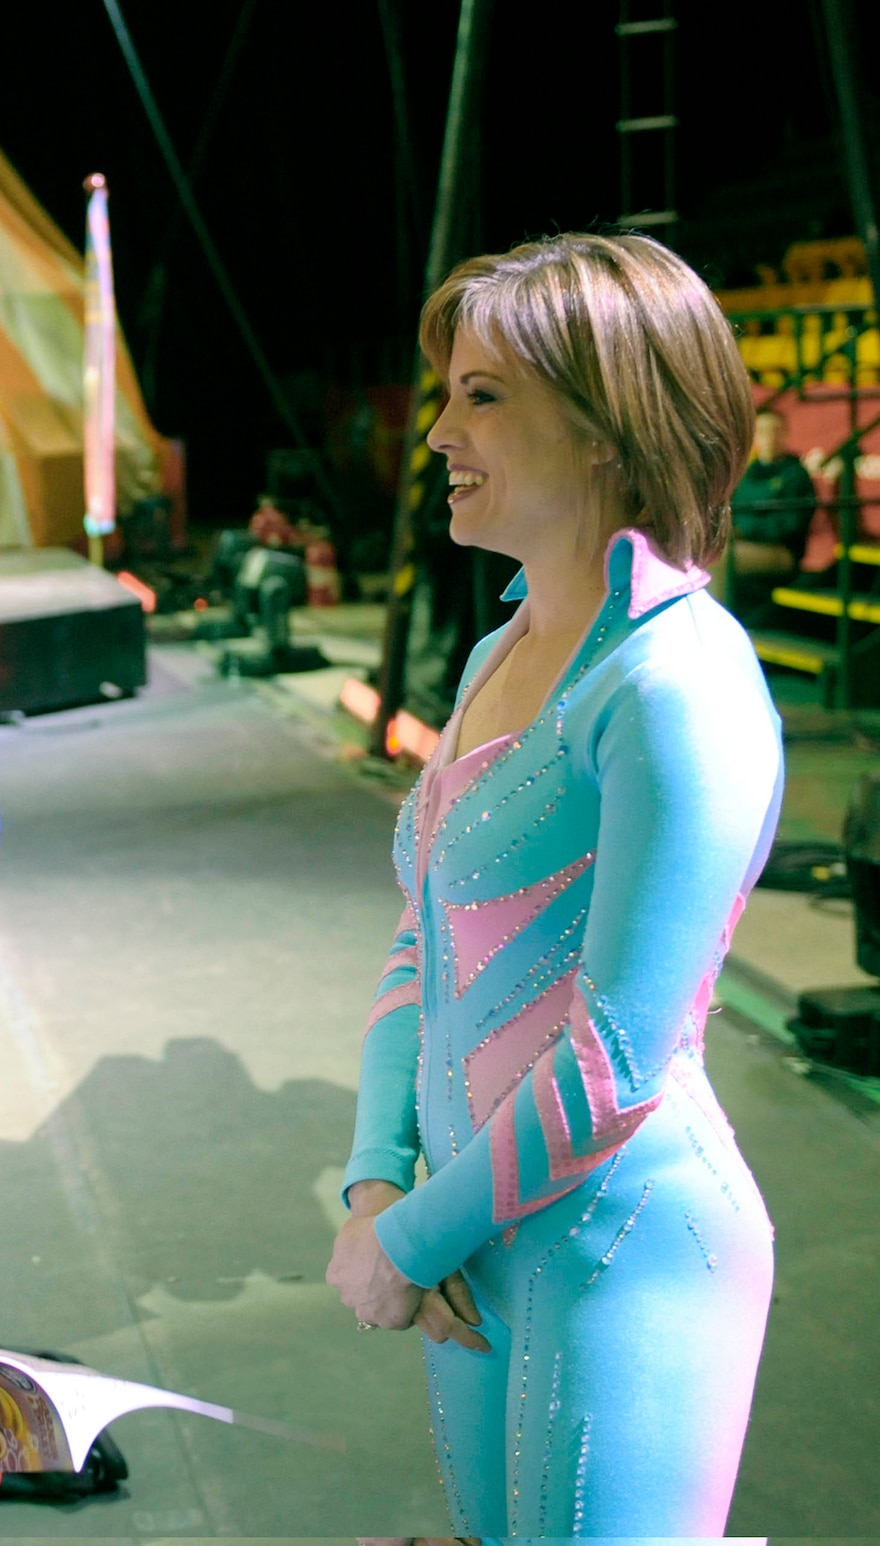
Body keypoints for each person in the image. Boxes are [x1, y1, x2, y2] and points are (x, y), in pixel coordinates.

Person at [326, 232, 781, 1536]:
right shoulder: (498, 646)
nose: (437, 434)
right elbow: (421, 947)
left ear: (604, 425)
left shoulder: (676, 683)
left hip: (622, 1252)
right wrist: (377, 1184)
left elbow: (616, 1063)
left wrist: (407, 1238)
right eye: (447, 393)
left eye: (483, 395)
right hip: (477, 1242)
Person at [720, 405, 816, 614]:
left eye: (776, 431)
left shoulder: (796, 475)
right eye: (763, 431)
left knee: (719, 557)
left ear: (786, 434)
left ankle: (716, 630)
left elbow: (790, 525)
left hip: (782, 553)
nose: (770, 438)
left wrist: (744, 529)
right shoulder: (746, 474)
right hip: (742, 544)